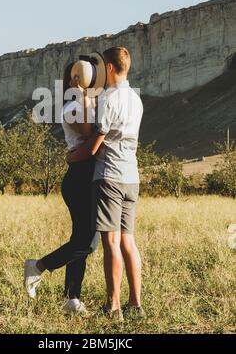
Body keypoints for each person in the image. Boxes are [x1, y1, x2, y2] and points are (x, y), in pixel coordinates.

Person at [67, 47, 144, 321]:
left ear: (109, 67)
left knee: (110, 242)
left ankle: (113, 306)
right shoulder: (137, 100)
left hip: (109, 175)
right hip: (131, 177)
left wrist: (71, 156)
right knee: (128, 242)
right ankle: (135, 303)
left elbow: (92, 146)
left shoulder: (109, 100)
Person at [24, 62, 99, 315]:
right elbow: (90, 134)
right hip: (80, 177)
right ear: (73, 80)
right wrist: (85, 97)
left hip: (87, 174)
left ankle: (71, 299)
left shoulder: (85, 102)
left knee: (83, 239)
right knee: (88, 242)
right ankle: (38, 266)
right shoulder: (73, 106)